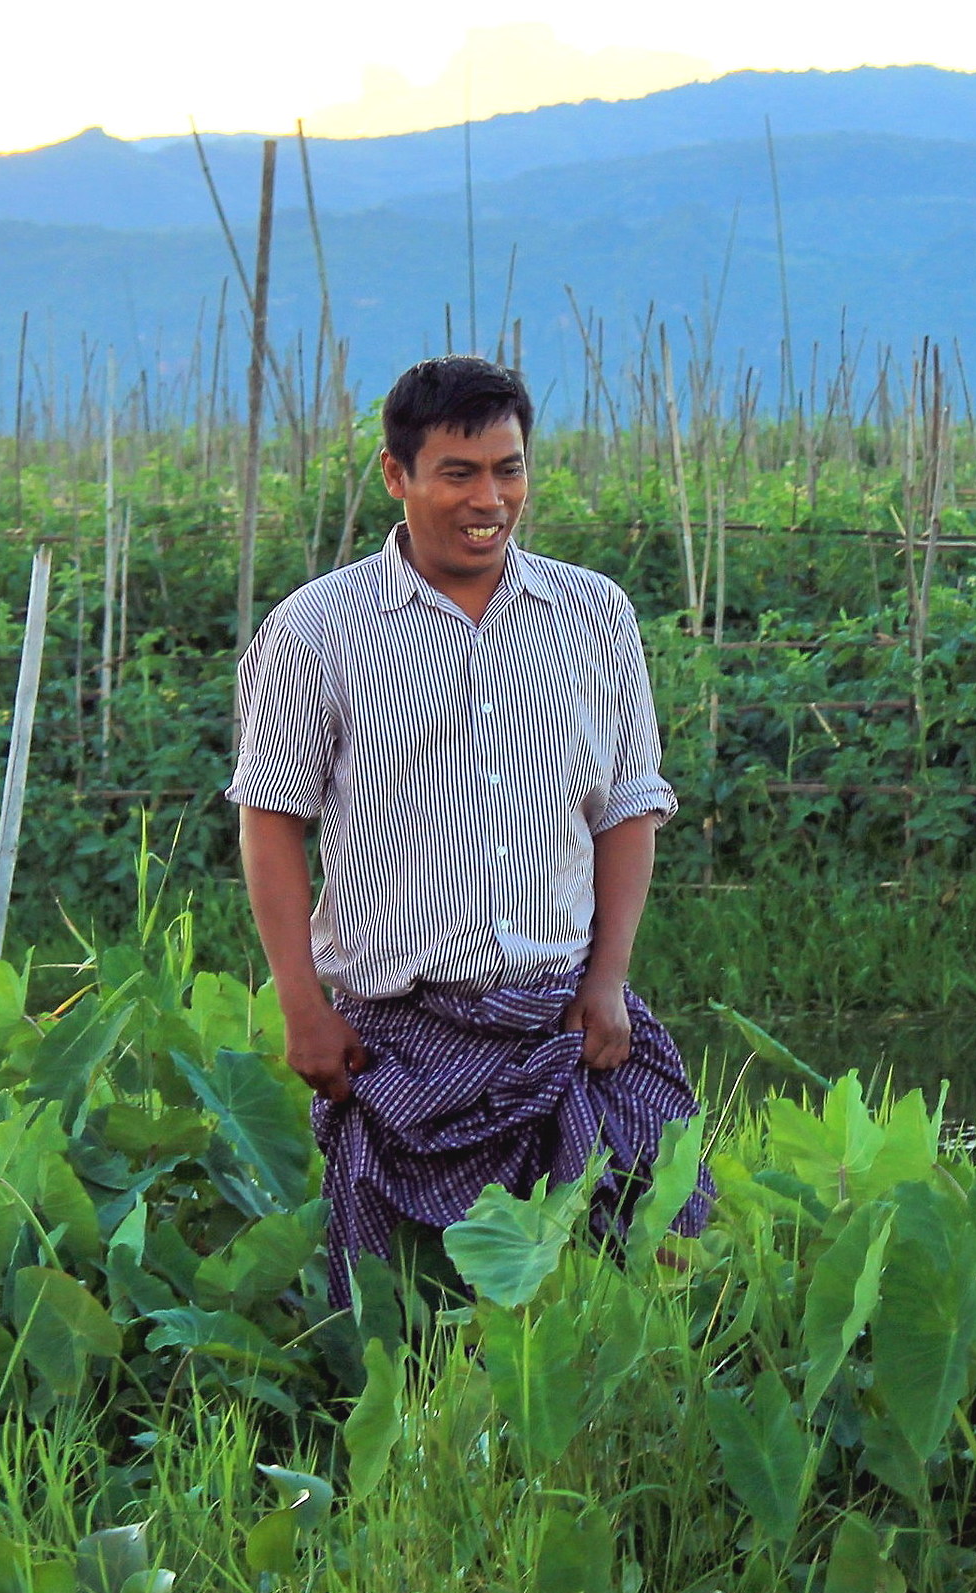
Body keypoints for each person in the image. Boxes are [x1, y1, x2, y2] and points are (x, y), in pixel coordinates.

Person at [227, 354, 712, 1303]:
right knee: (414, 1321)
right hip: (403, 1038)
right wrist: (301, 1009)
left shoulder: (592, 614)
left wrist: (608, 980)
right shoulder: (314, 633)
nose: (489, 498)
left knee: (643, 1281)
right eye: (459, 473)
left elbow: (625, 808)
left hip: (568, 1019)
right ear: (396, 475)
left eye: (510, 469)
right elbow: (272, 821)